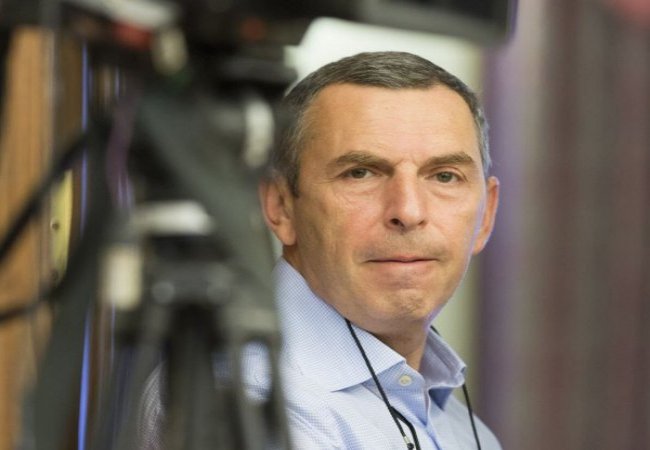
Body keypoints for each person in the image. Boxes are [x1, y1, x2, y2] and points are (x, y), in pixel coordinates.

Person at [257, 51, 501, 449]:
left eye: (444, 176)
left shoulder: (462, 429)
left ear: (486, 215)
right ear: (281, 205)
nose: (408, 211)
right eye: (360, 173)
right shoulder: (256, 404)